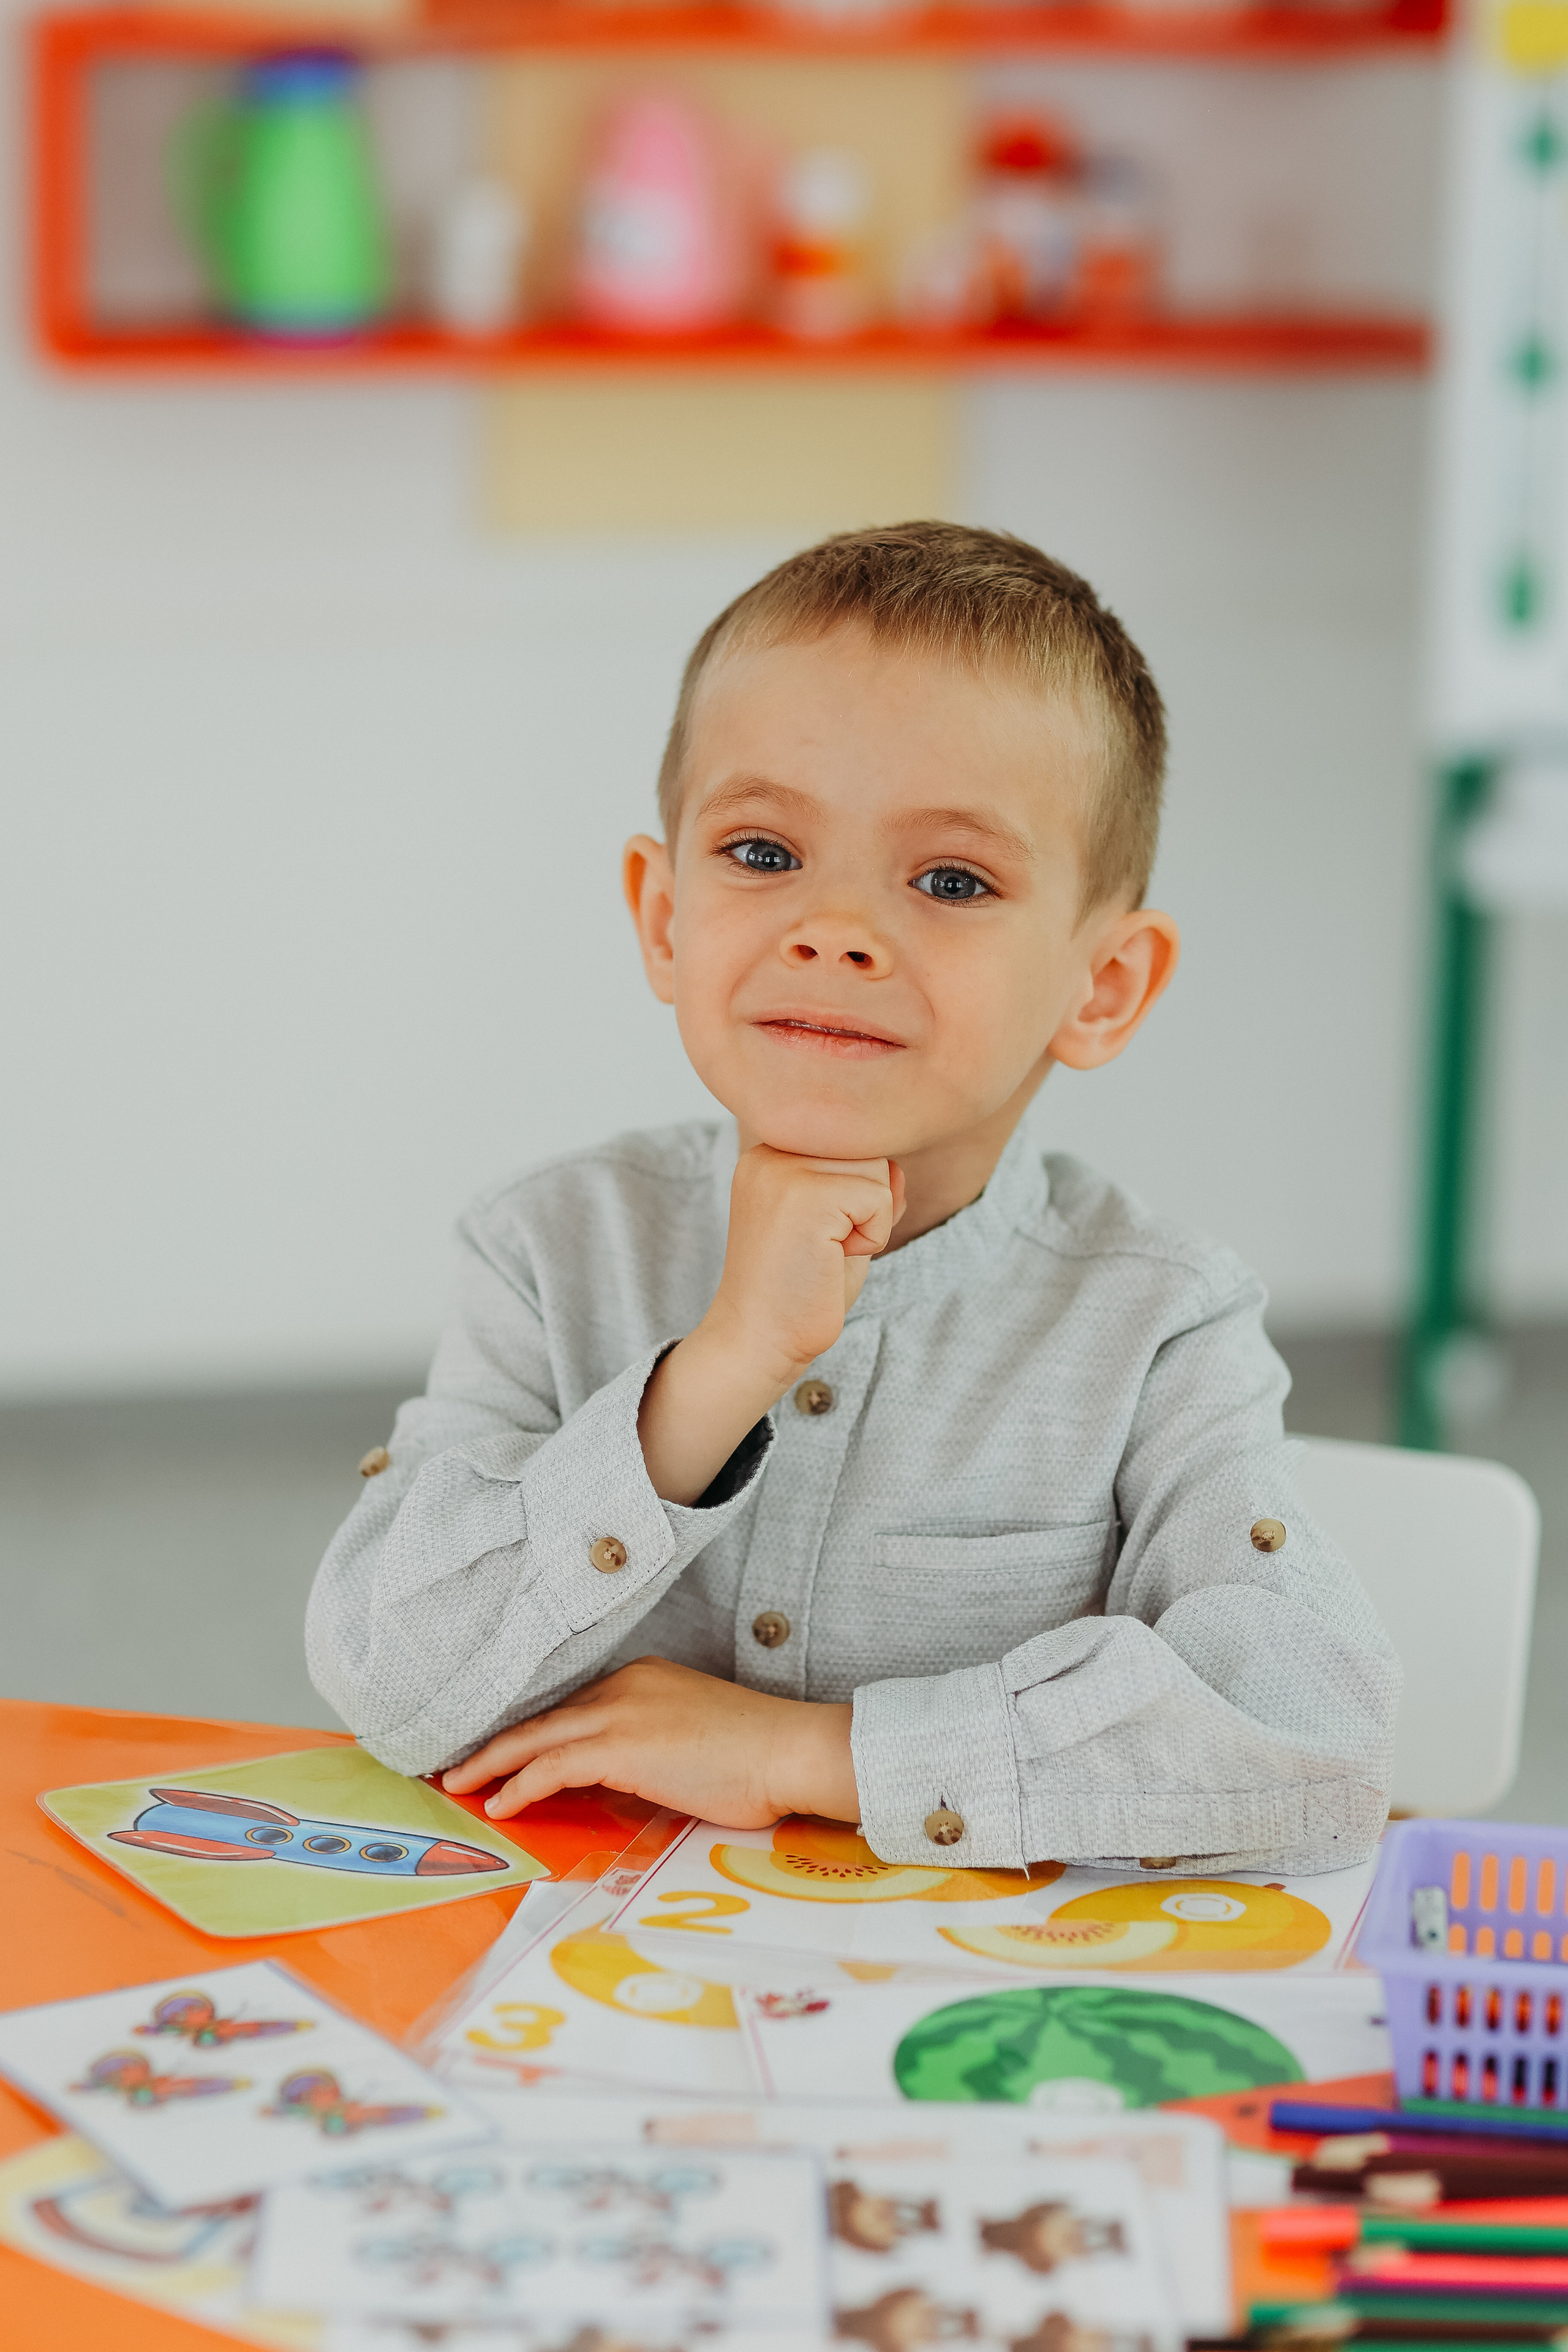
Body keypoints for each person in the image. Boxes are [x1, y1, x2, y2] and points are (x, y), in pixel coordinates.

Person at [306, 522, 1398, 1873]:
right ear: (661, 916)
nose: (829, 929)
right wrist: (715, 1375)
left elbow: (1315, 1741)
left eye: (949, 879)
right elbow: (388, 1677)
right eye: (762, 854)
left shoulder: (1159, 1323)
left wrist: (806, 1756)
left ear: (1099, 986)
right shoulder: (547, 1248)